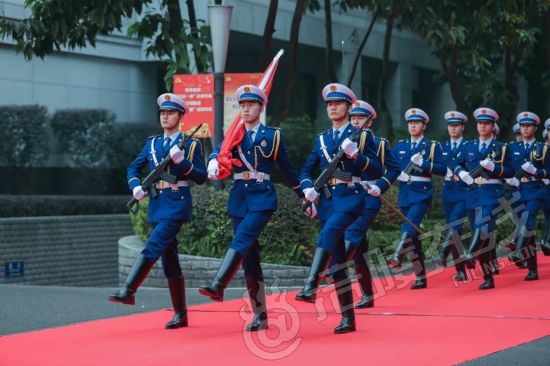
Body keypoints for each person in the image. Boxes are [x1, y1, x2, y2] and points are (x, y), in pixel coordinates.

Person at [199, 84, 304, 332]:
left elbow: (288, 169)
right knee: (249, 257)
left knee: (243, 237)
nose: (245, 109)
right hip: (239, 198)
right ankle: (260, 315)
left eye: (250, 105)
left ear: (260, 107)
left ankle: (219, 282)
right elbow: (219, 151)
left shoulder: (273, 135)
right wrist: (213, 160)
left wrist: (304, 194)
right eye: (242, 105)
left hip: (262, 198)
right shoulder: (234, 133)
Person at [109, 93, 206, 329]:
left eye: (170, 113)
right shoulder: (152, 143)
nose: (165, 116)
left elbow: (202, 177)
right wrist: (136, 186)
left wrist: (182, 162)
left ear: (180, 116)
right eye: (162, 113)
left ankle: (129, 289)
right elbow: (133, 167)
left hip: (177, 203)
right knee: (169, 258)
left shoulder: (191, 144)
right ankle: (181, 314)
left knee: (154, 244)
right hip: (157, 203)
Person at [296, 83, 382, 333]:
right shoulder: (322, 139)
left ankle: (311, 284)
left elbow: (378, 170)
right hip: (327, 200)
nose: (332, 107)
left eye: (338, 103)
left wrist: (358, 157)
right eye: (329, 104)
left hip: (351, 198)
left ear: (348, 107)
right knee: (338, 264)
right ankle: (348, 318)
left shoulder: (362, 136)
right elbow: (306, 169)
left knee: (330, 232)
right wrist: (307, 188)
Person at [343, 100, 400, 308]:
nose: (356, 121)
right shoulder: (344, 140)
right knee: (359, 248)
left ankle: (334, 268)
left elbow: (394, 170)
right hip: (348, 197)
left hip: (369, 195)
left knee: (354, 233)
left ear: (369, 122)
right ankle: (367, 294)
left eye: (360, 118)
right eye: (353, 118)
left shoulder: (379, 143)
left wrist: (380, 186)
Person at [386, 108, 446, 289]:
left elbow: (443, 170)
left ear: (424, 125)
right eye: (410, 123)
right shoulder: (401, 146)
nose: (412, 126)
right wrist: (397, 176)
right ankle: (420, 276)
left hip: (422, 192)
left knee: (410, 224)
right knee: (413, 237)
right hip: (405, 192)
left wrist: (425, 164)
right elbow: (390, 167)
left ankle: (397, 255)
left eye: (416, 123)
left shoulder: (432, 146)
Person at [454, 107, 513, 290]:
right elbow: (455, 162)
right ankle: (488, 277)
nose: (482, 126)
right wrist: (461, 172)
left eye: (486, 123)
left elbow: (510, 171)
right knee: (483, 237)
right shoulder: (469, 146)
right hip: (472, 192)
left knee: (482, 225)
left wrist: (494, 168)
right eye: (480, 123)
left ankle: (470, 254)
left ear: (492, 125)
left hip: (491, 193)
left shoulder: (501, 147)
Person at [507, 112, 550, 281]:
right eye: (523, 126)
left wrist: (537, 172)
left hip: (535, 190)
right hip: (517, 191)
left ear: (535, 128)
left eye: (529, 126)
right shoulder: (512, 148)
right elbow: (506, 168)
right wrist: (507, 177)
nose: (525, 129)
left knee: (528, 219)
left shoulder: (543, 148)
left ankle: (517, 251)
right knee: (527, 230)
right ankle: (532, 268)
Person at [438, 111, 469, 281]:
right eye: (451, 125)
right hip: (448, 189)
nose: (453, 128)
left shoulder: (468, 146)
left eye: (456, 125)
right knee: (454, 229)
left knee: (456, 225)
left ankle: (443, 252)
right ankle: (461, 269)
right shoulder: (442, 147)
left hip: (464, 189)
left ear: (462, 127)